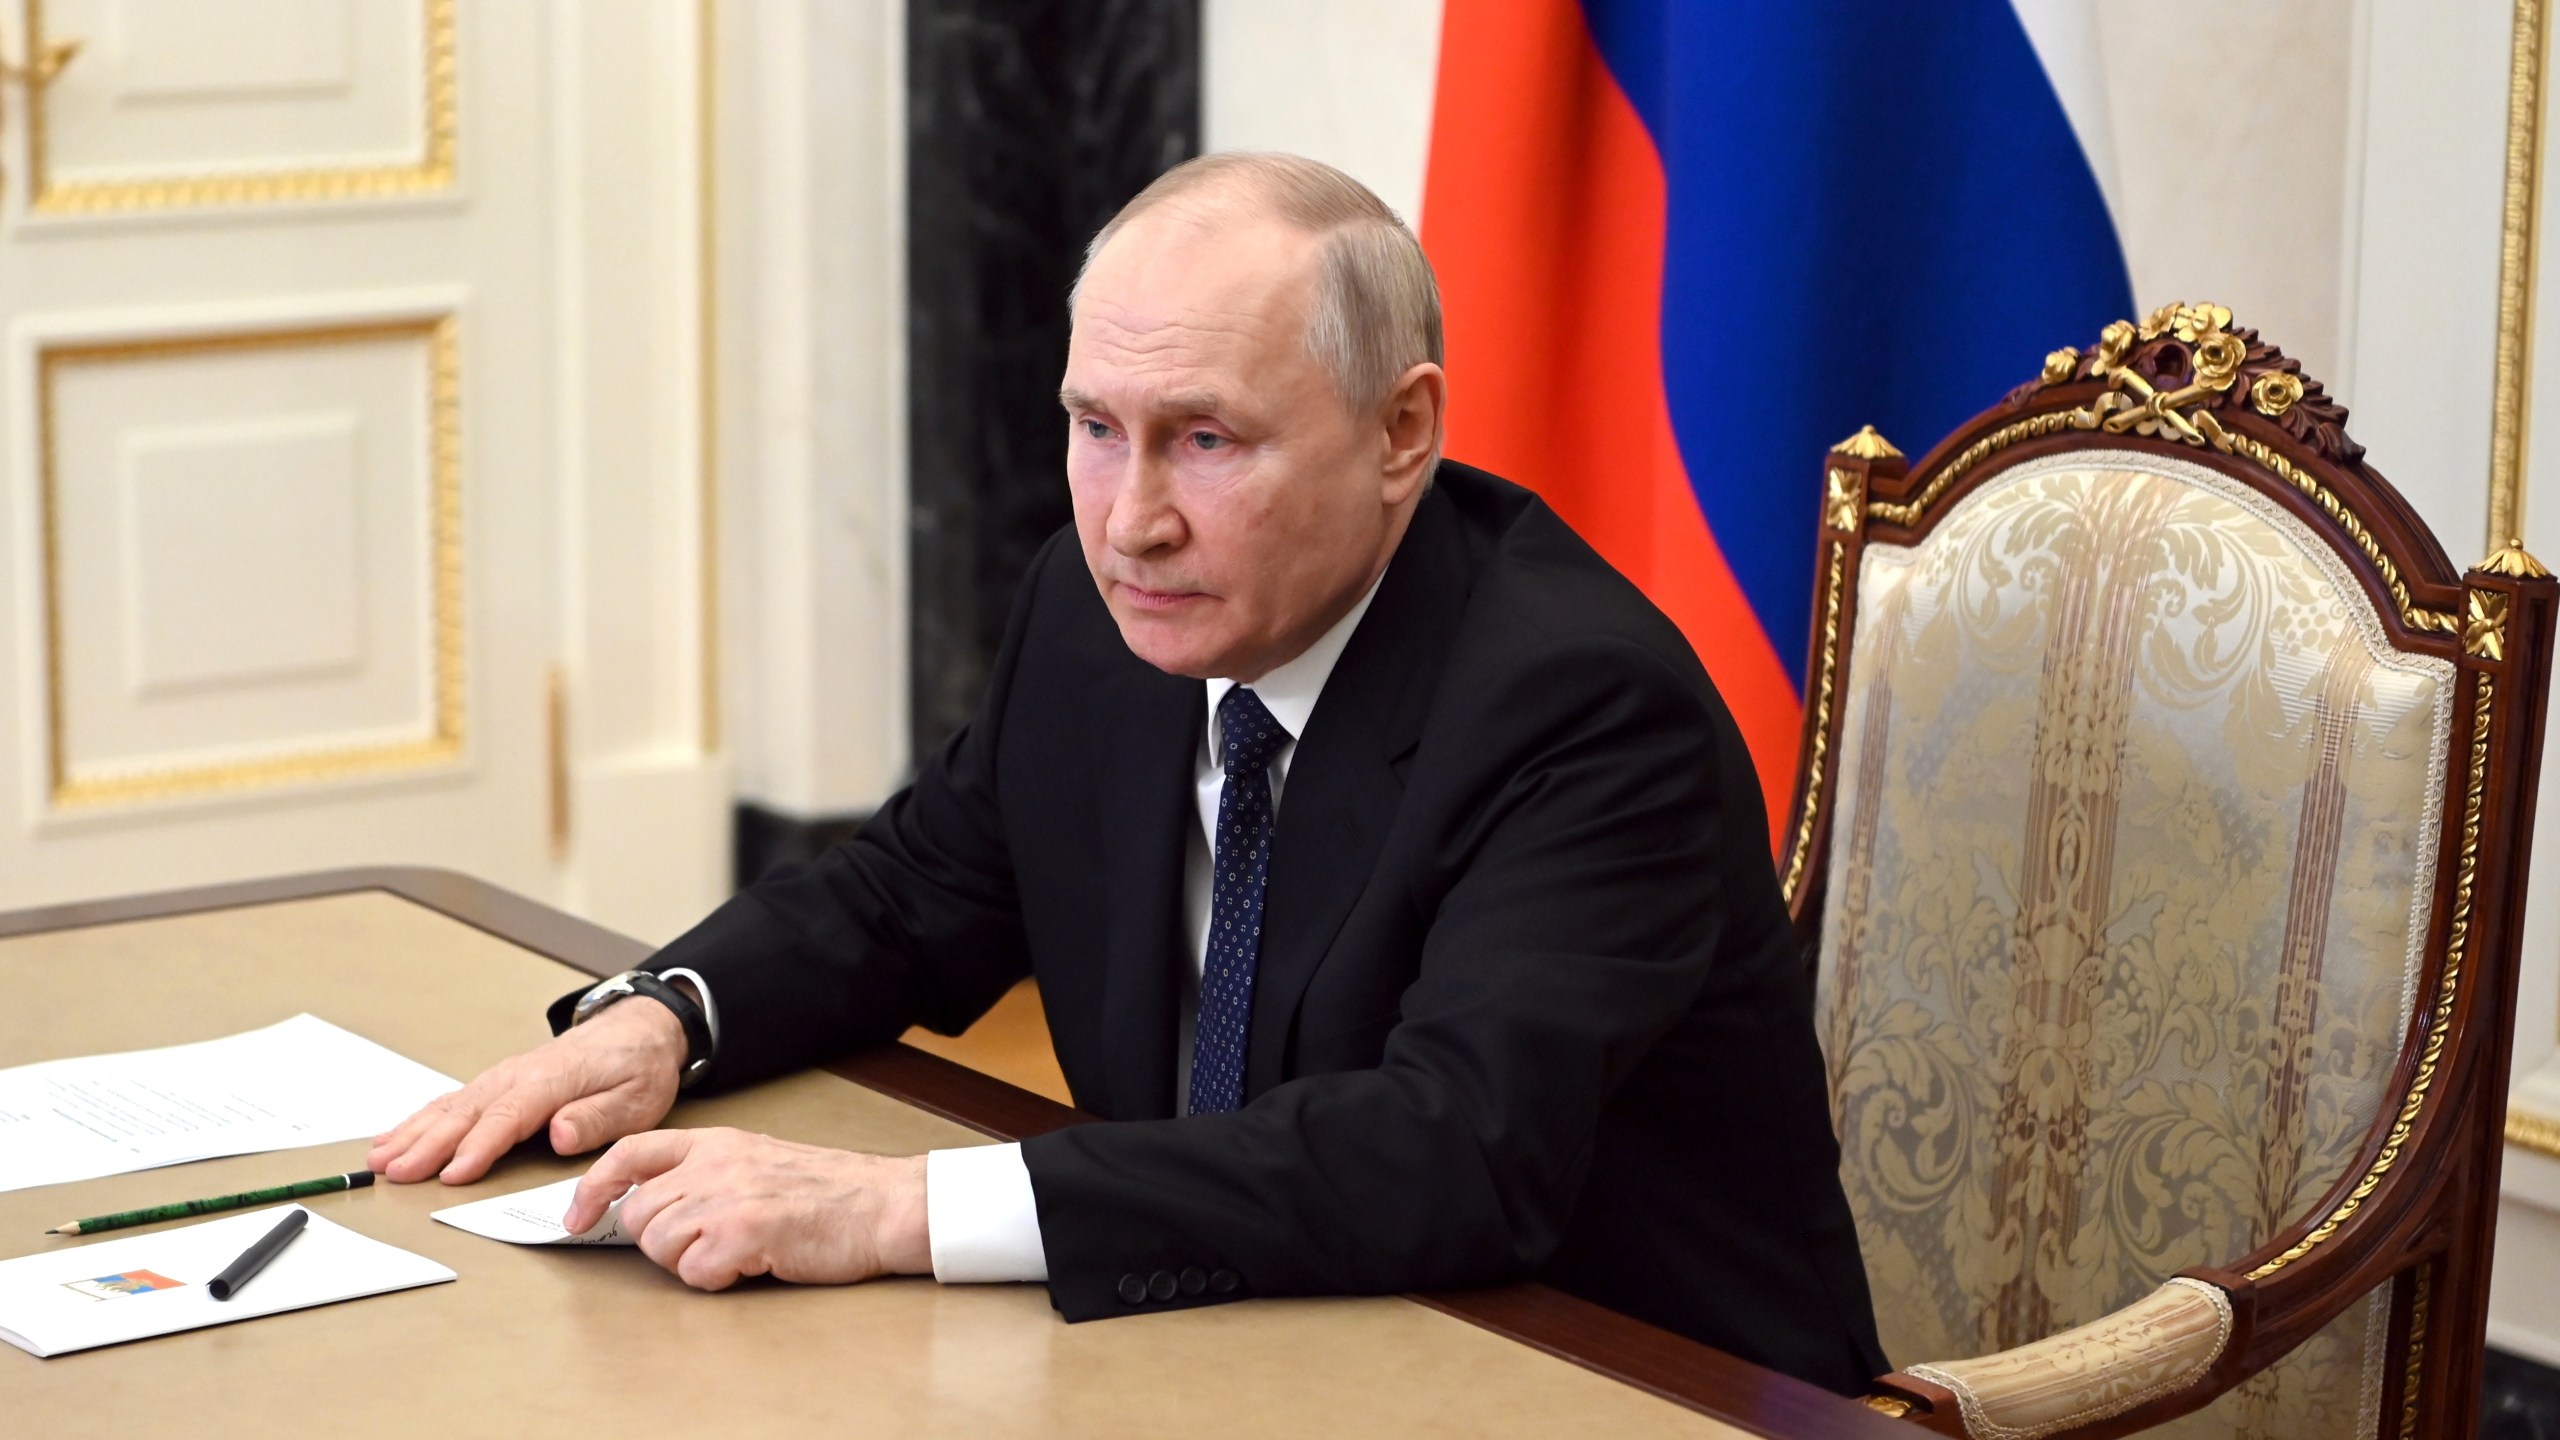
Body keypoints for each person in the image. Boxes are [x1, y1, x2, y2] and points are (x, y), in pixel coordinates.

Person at [370, 152, 1887, 1394]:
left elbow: (1457, 1152)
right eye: (1096, 430)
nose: (1130, 521)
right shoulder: (1106, 618)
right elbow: (918, 888)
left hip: (1610, 1377)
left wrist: (899, 1207)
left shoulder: (1577, 700)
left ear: (1401, 433)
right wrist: (668, 1020)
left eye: (1206, 440)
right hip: (1238, 1349)